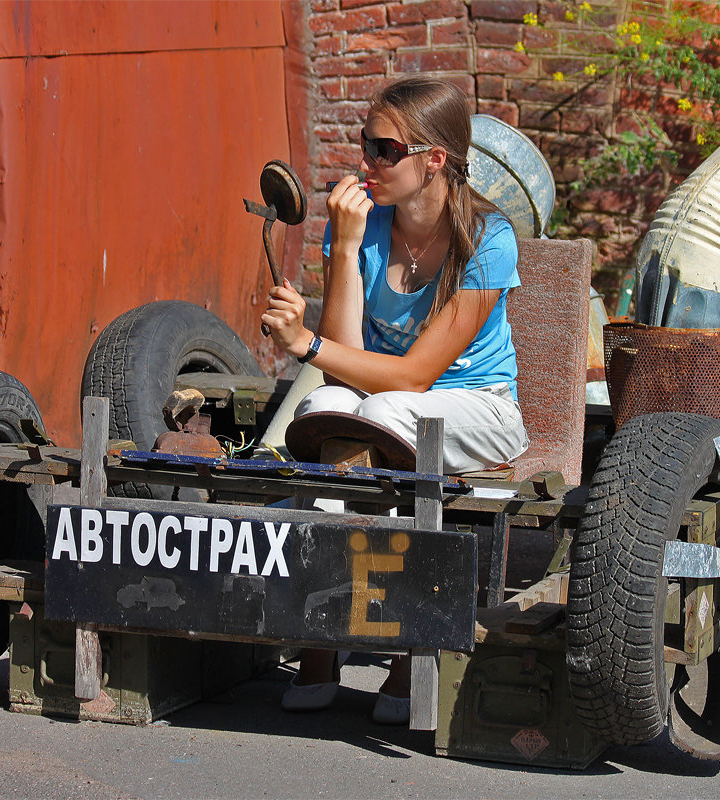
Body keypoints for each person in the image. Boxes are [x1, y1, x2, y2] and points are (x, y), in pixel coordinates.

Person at [260, 76, 529, 724]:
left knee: (377, 415)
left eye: (384, 149)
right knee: (329, 416)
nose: (365, 162)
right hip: (389, 403)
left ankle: (411, 644)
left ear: (433, 159)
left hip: (480, 407)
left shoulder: (488, 238)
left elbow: (413, 376)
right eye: (364, 145)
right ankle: (324, 638)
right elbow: (346, 365)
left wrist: (303, 343)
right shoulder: (362, 227)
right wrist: (347, 247)